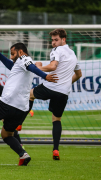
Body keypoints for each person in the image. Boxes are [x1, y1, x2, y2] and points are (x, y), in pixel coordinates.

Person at [30, 29, 82, 160]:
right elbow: (79, 74)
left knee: (28, 95)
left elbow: (53, 67)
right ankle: (56, 150)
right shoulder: (73, 54)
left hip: (51, 86)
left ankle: (18, 124)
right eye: (52, 40)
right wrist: (66, 83)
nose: (53, 43)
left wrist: (37, 67)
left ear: (63, 39)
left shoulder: (57, 50)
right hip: (63, 92)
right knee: (56, 119)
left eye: (56, 40)